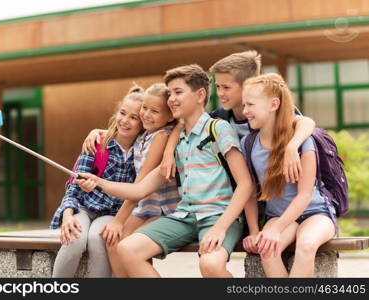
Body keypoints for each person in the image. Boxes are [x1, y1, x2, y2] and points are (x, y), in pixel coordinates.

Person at [77, 64, 254, 278]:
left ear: (200, 95)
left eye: (178, 92)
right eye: (169, 93)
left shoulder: (218, 129)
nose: (171, 99)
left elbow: (245, 184)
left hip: (218, 215)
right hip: (184, 216)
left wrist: (220, 228)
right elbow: (141, 189)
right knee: (127, 249)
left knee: (210, 265)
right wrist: (98, 181)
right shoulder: (175, 140)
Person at [160, 50, 316, 185]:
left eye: (226, 87)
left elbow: (307, 122)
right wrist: (168, 153)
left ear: (249, 85)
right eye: (218, 86)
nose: (220, 93)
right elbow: (183, 124)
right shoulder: (219, 118)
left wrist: (292, 147)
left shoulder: (270, 112)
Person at [241, 73, 336, 277]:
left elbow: (304, 195)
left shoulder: (302, 141)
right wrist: (255, 232)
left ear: (274, 104)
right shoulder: (248, 145)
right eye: (244, 105)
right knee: (267, 250)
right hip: (278, 216)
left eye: (250, 104)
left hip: (316, 213)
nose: (245, 111)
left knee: (306, 246)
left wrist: (276, 230)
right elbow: (249, 191)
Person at [50, 84, 144, 277]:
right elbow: (72, 188)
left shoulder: (143, 152)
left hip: (113, 213)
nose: (125, 121)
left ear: (143, 123)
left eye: (133, 118)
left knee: (98, 238)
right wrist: (67, 215)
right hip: (82, 208)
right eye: (122, 113)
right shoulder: (97, 143)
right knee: (74, 238)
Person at [99, 83, 180, 277]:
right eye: (144, 108)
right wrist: (97, 132)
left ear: (169, 117)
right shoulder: (144, 135)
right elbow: (119, 131)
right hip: (145, 208)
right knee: (113, 241)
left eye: (154, 111)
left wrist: (119, 221)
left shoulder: (161, 136)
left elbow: (141, 184)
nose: (146, 114)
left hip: (163, 209)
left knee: (127, 242)